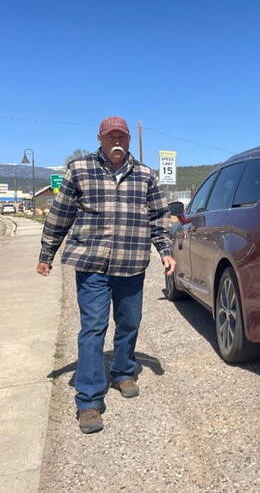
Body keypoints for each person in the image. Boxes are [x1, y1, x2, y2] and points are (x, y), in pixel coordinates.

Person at [36, 116, 176, 433]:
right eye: (111, 136)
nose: (117, 141)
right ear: (99, 138)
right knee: (93, 328)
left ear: (128, 140)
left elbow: (158, 217)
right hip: (91, 263)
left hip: (130, 263)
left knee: (129, 322)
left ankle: (124, 369)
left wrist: (166, 251)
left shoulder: (145, 175)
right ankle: (88, 402)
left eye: (122, 137)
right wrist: (47, 254)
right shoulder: (79, 170)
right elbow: (60, 215)